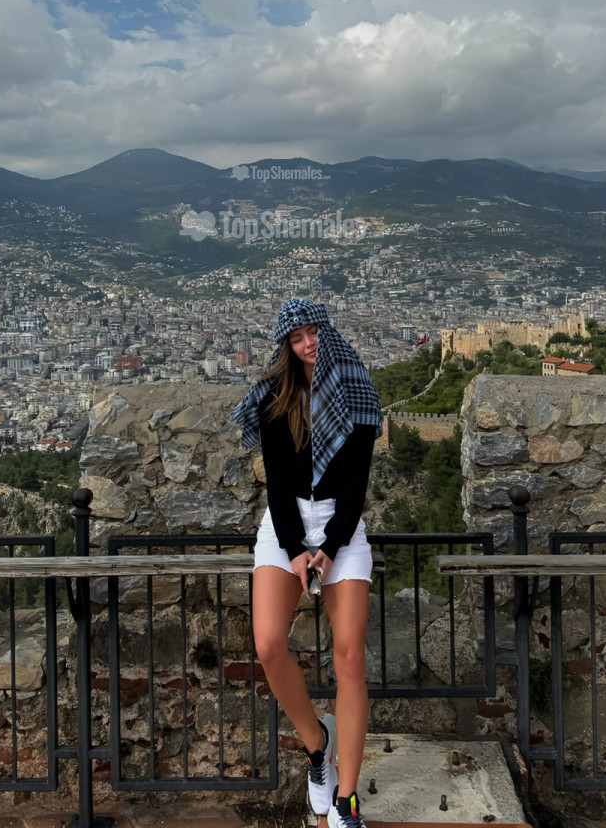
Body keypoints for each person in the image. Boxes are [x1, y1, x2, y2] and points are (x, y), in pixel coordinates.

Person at [231, 298, 382, 828]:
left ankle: (347, 800)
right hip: (286, 525)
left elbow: (358, 481)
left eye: (312, 332)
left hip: (342, 525)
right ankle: (318, 745)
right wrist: (295, 547)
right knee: (269, 645)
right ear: (287, 347)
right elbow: (275, 480)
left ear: (327, 332)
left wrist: (332, 545)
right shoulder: (276, 396)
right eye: (296, 338)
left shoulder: (356, 390)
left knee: (350, 659)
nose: (307, 343)